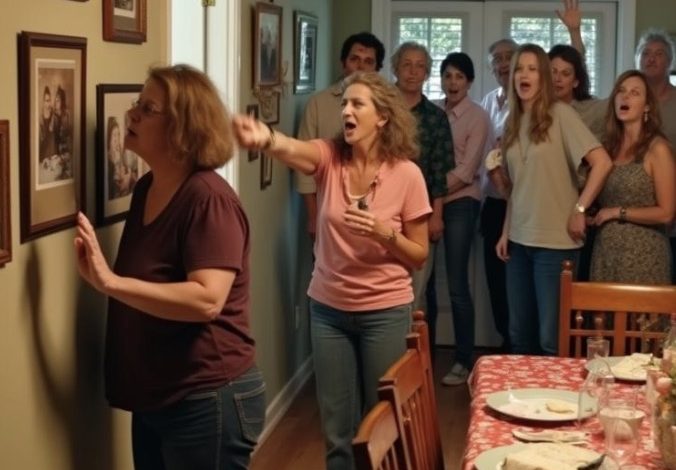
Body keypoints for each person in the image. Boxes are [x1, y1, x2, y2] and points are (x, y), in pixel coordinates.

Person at [233, 71, 431, 470]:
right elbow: (295, 150)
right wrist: (266, 138)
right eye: (344, 104)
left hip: (385, 312)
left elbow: (419, 255)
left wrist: (383, 233)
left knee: (383, 422)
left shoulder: (407, 174)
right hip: (328, 311)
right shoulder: (330, 158)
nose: (346, 111)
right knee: (337, 430)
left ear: (383, 117)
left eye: (358, 104)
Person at [73, 64, 265, 470]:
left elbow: (207, 300)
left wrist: (110, 283)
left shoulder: (209, 199)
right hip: (157, 395)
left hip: (207, 398)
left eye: (148, 109)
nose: (132, 114)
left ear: (182, 127)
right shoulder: (146, 187)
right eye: (137, 104)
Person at [494, 44, 612, 356]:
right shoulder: (511, 121)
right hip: (518, 242)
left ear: (543, 77)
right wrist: (506, 231)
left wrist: (580, 208)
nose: (524, 75)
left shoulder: (561, 114)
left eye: (533, 69)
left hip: (556, 244)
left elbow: (602, 163)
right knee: (519, 335)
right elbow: (518, 187)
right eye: (520, 69)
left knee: (551, 339)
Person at [391, 41, 453, 365]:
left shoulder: (436, 118)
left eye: (420, 66)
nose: (413, 72)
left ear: (427, 73)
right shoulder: (381, 110)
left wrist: (437, 216)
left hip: (420, 215)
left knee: (415, 294)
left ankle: (411, 365)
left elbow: (439, 173)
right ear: (395, 68)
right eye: (407, 64)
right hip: (383, 214)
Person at [433, 52, 491, 385]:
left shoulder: (477, 116)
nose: (452, 82)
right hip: (427, 203)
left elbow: (467, 171)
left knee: (456, 284)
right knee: (424, 283)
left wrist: (430, 192)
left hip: (460, 204)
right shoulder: (432, 111)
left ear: (469, 82)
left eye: (459, 77)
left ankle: (463, 360)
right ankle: (422, 356)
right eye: (447, 75)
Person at [296, 32, 385, 239]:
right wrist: (313, 216)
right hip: (327, 211)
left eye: (368, 62)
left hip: (376, 212)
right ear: (343, 63)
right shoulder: (318, 104)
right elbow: (303, 166)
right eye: (354, 59)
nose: (360, 67)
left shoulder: (386, 108)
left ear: (377, 69)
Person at [589, 70, 675, 284]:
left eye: (635, 93)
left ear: (647, 106)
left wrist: (617, 212)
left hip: (644, 256)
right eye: (621, 91)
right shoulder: (607, 148)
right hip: (605, 254)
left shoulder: (657, 149)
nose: (625, 97)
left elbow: (666, 213)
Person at [635, 29, 676, 283]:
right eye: (645, 53)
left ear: (669, 62)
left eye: (658, 54)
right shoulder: (627, 102)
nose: (651, 58)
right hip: (635, 207)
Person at [39, 85, 56, 163]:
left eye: (49, 100)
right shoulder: (41, 114)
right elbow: (41, 134)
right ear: (43, 101)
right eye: (46, 100)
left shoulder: (52, 112)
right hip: (44, 142)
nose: (48, 103)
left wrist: (52, 117)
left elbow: (51, 128)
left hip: (51, 141)